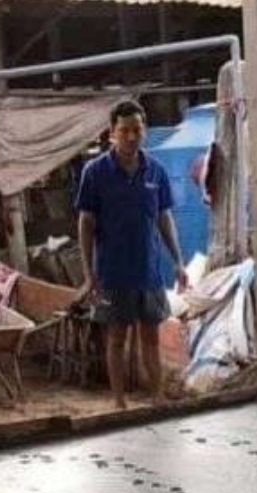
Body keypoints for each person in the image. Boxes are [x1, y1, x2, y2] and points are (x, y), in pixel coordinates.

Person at [75, 99, 189, 409]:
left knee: (150, 338)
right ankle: (119, 403)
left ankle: (157, 398)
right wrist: (89, 275)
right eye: (124, 130)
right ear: (112, 132)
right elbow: (86, 224)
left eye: (136, 130)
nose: (131, 136)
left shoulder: (156, 171)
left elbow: (164, 217)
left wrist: (178, 262)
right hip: (112, 274)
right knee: (116, 339)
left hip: (148, 273)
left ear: (144, 131)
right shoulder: (95, 173)